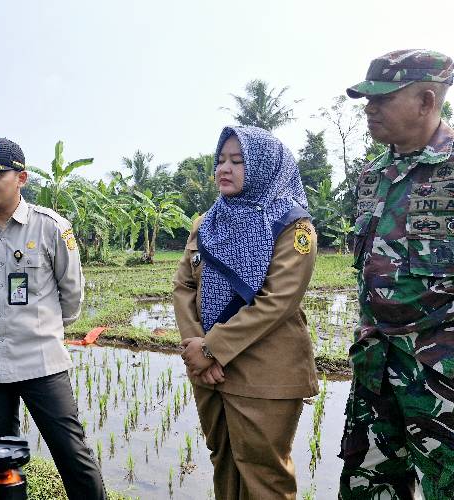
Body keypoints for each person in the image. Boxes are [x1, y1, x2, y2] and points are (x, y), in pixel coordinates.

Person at [0, 138, 106, 500]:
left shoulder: (51, 227)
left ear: (20, 177)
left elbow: (72, 295)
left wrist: (42, 329)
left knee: (72, 453)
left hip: (41, 362)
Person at [174, 126, 318, 500]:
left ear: (263, 167)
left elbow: (277, 300)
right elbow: (185, 286)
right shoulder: (207, 222)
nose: (224, 168)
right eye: (221, 159)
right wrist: (195, 345)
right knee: (223, 461)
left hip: (265, 371)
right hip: (207, 368)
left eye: (238, 161)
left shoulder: (292, 224)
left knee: (263, 474)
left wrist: (211, 348)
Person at [338, 49, 454, 500]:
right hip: (376, 367)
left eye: (382, 98)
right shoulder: (373, 175)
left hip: (440, 377)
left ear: (427, 101)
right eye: (367, 99)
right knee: (369, 486)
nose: (369, 109)